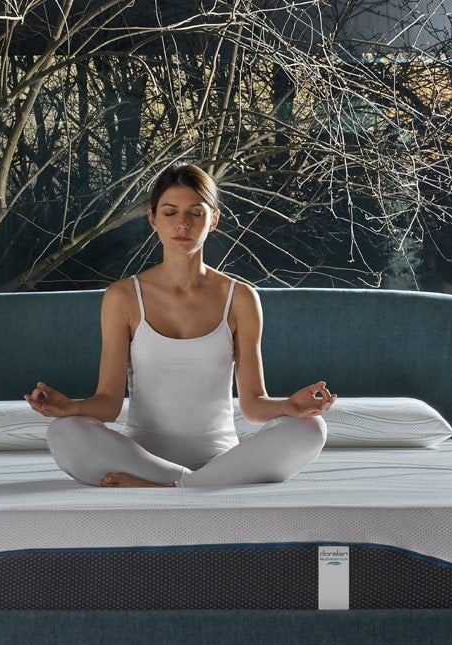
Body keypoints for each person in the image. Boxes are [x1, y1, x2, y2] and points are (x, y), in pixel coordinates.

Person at [25, 162, 331, 488]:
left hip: (222, 458)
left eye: (195, 213)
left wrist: (288, 406)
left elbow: (253, 405)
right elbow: (109, 404)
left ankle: (173, 487)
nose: (182, 223)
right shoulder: (123, 297)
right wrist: (72, 407)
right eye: (170, 212)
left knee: (312, 429)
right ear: (153, 219)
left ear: (213, 219)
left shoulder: (240, 298)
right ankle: (196, 485)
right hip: (140, 457)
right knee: (63, 432)